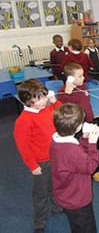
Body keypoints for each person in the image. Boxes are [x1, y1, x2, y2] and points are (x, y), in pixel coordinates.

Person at [13, 79, 62, 233]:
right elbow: (23, 146)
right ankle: (39, 222)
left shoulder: (45, 110)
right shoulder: (23, 121)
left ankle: (57, 207)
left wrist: (55, 102)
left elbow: (60, 115)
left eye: (44, 95)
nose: (45, 99)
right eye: (40, 97)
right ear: (29, 101)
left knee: (55, 184)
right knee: (40, 193)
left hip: (55, 156)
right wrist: (33, 165)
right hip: (42, 162)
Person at [50, 103, 99, 233]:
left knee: (77, 225)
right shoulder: (71, 151)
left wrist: (84, 139)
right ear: (78, 127)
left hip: (65, 194)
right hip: (77, 199)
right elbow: (90, 167)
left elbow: (78, 157)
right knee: (86, 227)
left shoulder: (57, 140)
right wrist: (93, 143)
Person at [57, 62, 99, 182]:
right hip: (76, 125)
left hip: (89, 120)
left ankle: (94, 170)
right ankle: (82, 169)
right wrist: (67, 93)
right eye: (80, 76)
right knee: (79, 148)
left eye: (83, 75)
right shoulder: (63, 92)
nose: (84, 78)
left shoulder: (84, 87)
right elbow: (63, 107)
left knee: (93, 145)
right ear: (70, 78)